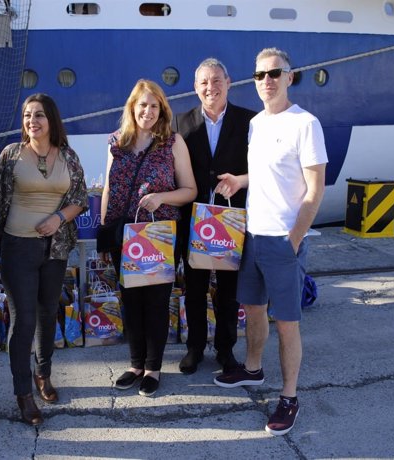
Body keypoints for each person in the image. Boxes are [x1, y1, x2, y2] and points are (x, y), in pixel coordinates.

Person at [213, 48, 328, 437]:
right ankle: (253, 369)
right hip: (253, 234)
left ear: (289, 77)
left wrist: (294, 240)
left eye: (275, 73)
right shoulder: (257, 123)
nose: (267, 81)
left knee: (287, 324)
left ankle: (290, 397)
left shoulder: (306, 124)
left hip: (283, 240)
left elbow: (314, 191)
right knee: (254, 310)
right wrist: (239, 181)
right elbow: (263, 173)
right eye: (260, 75)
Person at [0, 93, 88, 426]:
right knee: (23, 320)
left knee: (48, 312)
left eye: (39, 116)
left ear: (52, 120)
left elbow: (80, 197)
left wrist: (58, 219)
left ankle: (43, 374)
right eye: (27, 116)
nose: (32, 121)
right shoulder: (10, 155)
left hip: (55, 248)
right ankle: (23, 394)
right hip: (18, 248)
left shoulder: (68, 156)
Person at [99, 79, 196, 397]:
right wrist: (104, 232)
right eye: (143, 104)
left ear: (162, 110)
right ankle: (135, 364)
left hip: (157, 234)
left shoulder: (172, 142)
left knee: (155, 303)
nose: (148, 111)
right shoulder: (116, 142)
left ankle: (153, 368)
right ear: (132, 107)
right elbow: (109, 190)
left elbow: (190, 190)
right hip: (123, 235)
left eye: (155, 106)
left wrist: (161, 198)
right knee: (131, 301)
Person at [172, 58, 256, 375]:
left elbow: (262, 167)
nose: (211, 87)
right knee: (193, 288)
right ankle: (194, 348)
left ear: (229, 82)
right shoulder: (180, 124)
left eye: (217, 80)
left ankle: (225, 349)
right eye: (204, 82)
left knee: (228, 291)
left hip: (231, 220)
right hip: (192, 220)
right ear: (196, 87)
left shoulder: (250, 122)